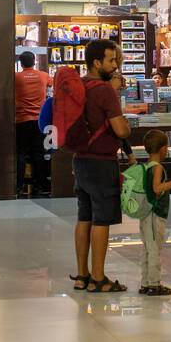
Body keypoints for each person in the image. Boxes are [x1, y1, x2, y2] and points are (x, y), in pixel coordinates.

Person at [70, 40, 131, 293]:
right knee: (102, 219)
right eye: (111, 60)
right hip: (102, 162)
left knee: (84, 216)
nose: (115, 65)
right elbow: (119, 128)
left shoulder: (80, 85)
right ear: (97, 62)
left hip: (80, 161)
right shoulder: (105, 91)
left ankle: (82, 275)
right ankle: (99, 278)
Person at [138, 128, 171, 297]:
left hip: (145, 215)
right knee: (155, 249)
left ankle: (146, 282)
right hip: (155, 215)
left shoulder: (146, 166)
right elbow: (157, 188)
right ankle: (155, 284)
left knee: (147, 249)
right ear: (163, 148)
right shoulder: (157, 168)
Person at [14, 51, 51, 196]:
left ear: (21, 63)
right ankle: (40, 185)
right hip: (39, 121)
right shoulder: (43, 75)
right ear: (34, 61)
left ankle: (18, 185)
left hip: (22, 120)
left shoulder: (16, 77)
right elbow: (53, 84)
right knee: (39, 153)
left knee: (21, 153)